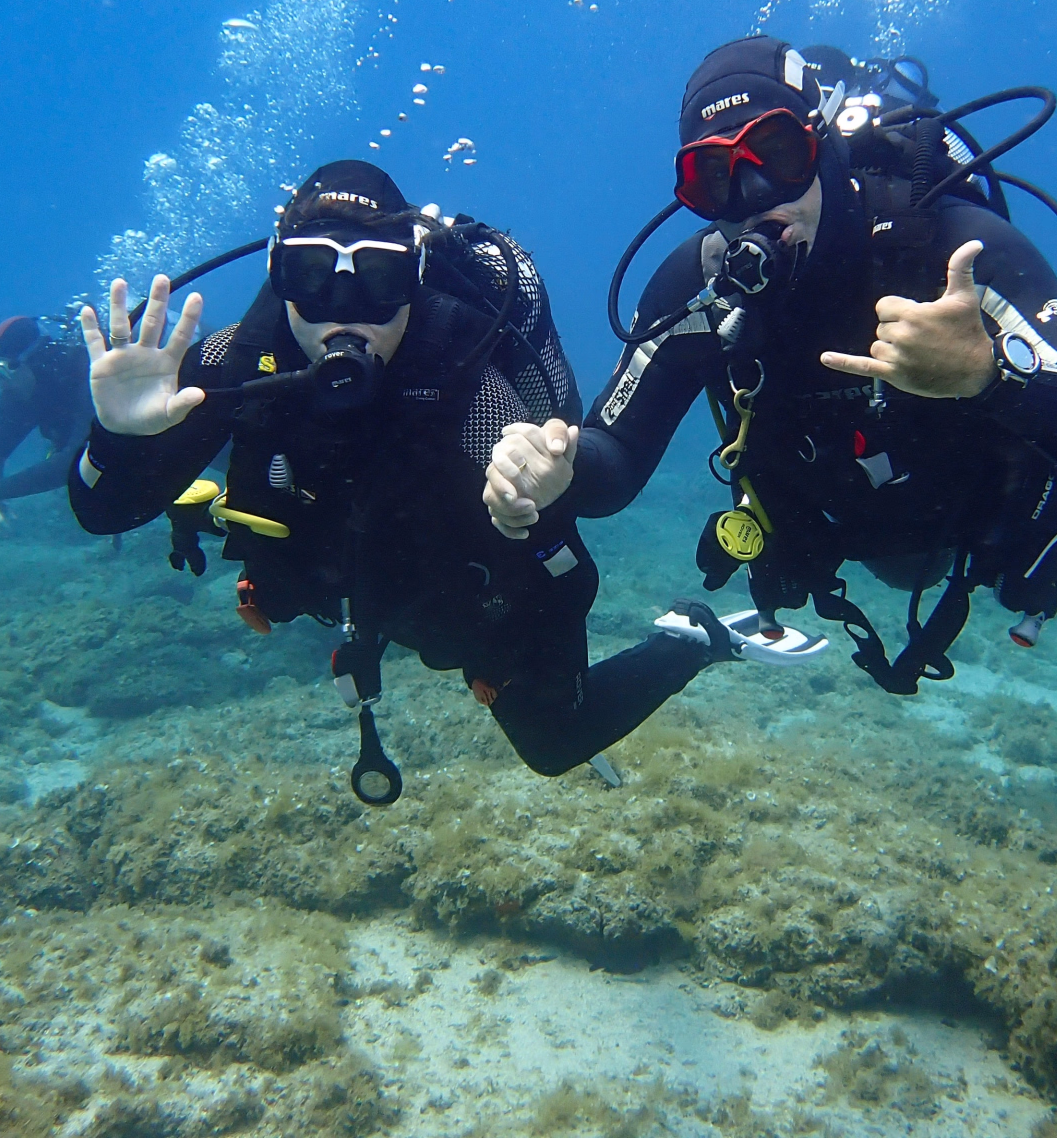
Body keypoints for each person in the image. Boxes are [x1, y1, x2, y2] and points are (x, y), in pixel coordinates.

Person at [485, 36, 1057, 693]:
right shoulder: (702, 286)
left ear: (823, 147)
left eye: (774, 156)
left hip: (995, 495)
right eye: (714, 179)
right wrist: (561, 469)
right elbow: (616, 457)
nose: (752, 201)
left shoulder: (949, 249)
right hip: (870, 517)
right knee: (906, 564)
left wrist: (990, 378)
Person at [68, 161, 744, 801]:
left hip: (467, 588)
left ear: (414, 281)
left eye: (379, 278)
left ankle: (691, 639)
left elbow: (521, 472)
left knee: (553, 741)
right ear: (281, 279)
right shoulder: (237, 359)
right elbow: (103, 511)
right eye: (311, 273)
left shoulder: (460, 369)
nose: (345, 310)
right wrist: (119, 440)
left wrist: (524, 487)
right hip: (359, 580)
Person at [0, 314, 92, 531]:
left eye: (0, 370)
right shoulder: (23, 391)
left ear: (35, 361)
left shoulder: (87, 380)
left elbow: (79, 461)